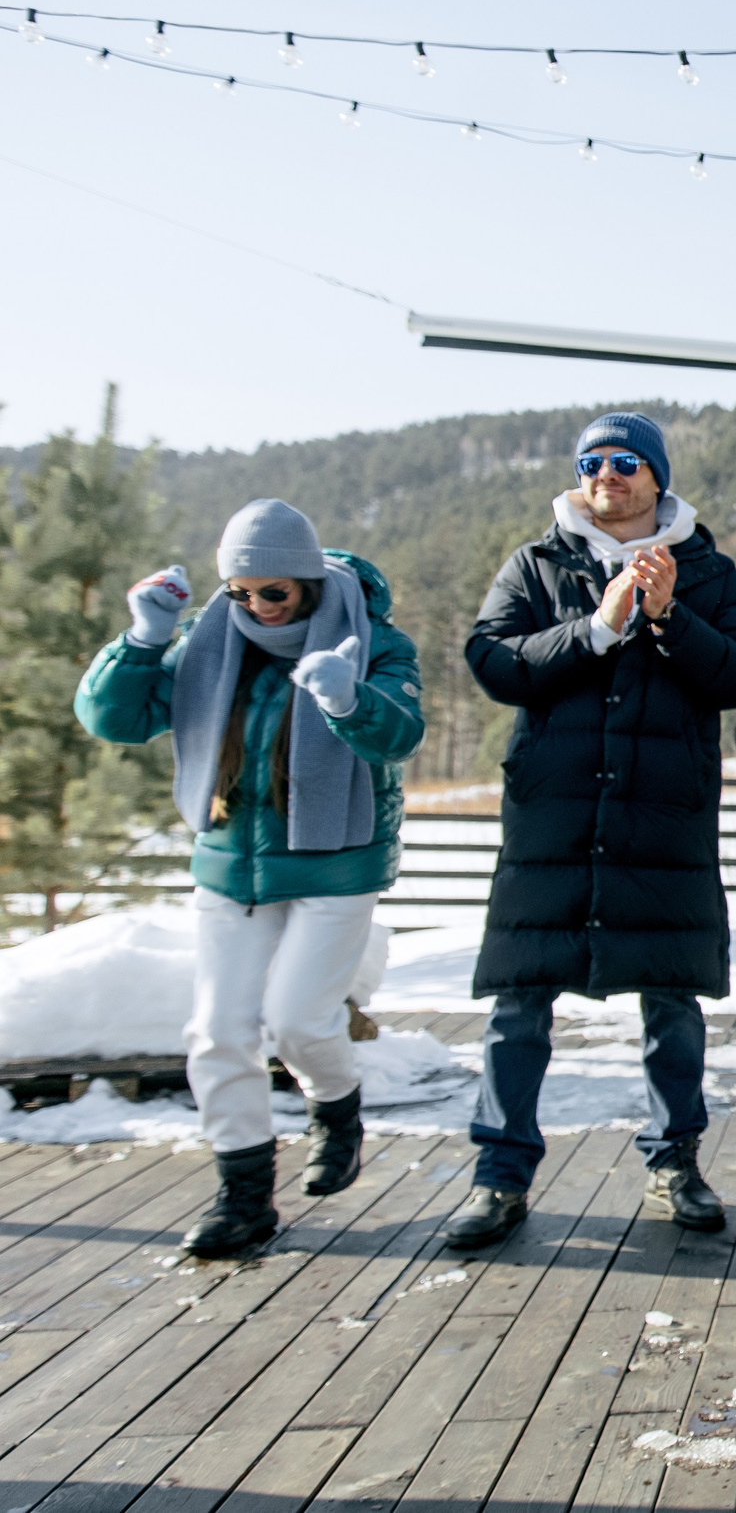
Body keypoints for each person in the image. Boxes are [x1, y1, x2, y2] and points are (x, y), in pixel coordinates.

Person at [448, 412, 736, 1250]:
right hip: (554, 817)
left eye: (626, 461)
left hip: (663, 815)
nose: (607, 474)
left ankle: (675, 1163)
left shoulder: (704, 568)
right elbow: (492, 661)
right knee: (520, 1003)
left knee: (672, 998)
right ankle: (499, 1176)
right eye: (591, 461)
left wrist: (669, 617)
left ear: (656, 476)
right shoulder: (536, 561)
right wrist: (595, 629)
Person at [74, 500, 423, 1258]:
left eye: (275, 592)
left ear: (306, 583)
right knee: (216, 1032)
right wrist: (142, 639)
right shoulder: (209, 642)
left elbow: (401, 730)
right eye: (240, 590)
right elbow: (114, 718)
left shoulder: (371, 638)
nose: (257, 606)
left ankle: (336, 1105)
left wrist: (347, 698)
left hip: (334, 863)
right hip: (232, 863)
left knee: (298, 1019)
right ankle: (244, 1195)